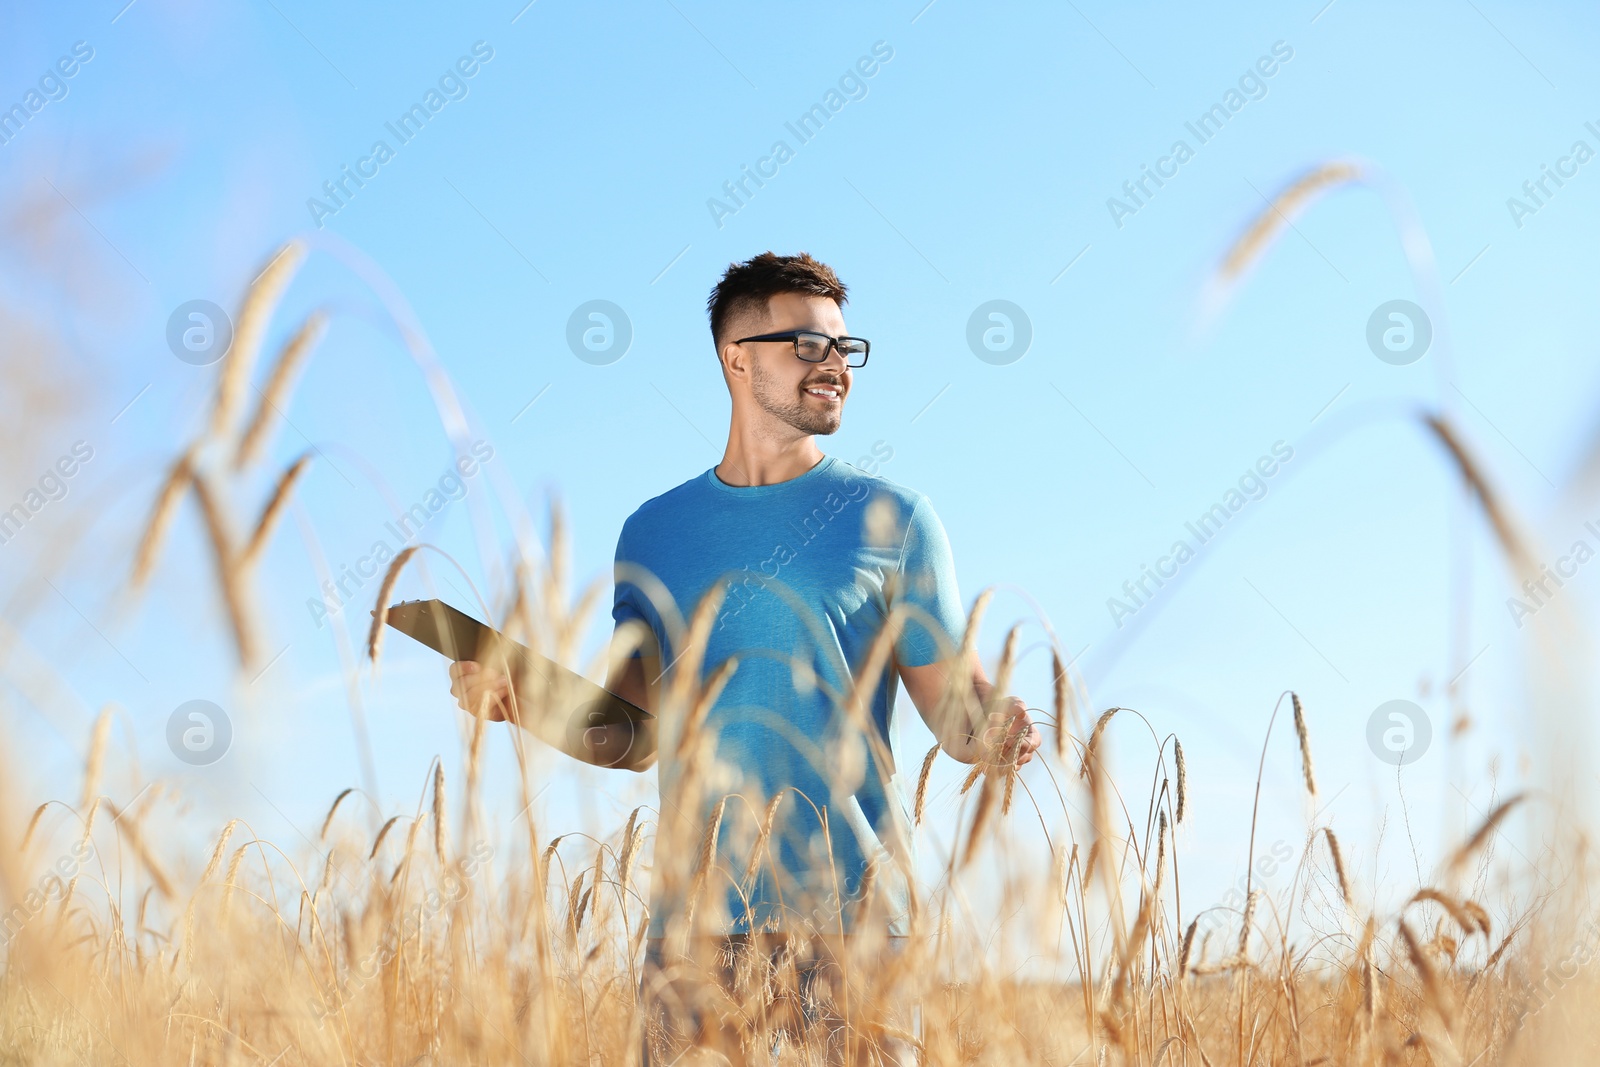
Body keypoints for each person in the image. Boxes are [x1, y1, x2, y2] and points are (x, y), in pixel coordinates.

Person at [448, 251, 1042, 1065]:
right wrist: (526, 697)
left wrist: (997, 724)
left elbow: (954, 709)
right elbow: (628, 733)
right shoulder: (654, 531)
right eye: (808, 344)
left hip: (857, 924)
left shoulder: (893, 517)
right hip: (692, 936)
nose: (834, 364)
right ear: (737, 358)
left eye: (844, 347)